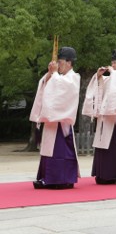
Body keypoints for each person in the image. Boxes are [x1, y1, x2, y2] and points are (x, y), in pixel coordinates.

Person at [30, 47, 80, 189]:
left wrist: (55, 74)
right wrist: (49, 75)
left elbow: (63, 89)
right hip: (52, 120)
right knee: (48, 151)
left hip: (61, 122)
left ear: (69, 63)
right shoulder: (60, 77)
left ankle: (61, 179)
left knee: (60, 150)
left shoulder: (74, 77)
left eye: (60, 61)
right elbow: (47, 85)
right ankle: (47, 177)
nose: (58, 64)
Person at [83, 49, 116, 185]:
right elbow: (100, 88)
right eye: (112, 62)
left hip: (115, 117)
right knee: (102, 144)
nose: (113, 64)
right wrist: (98, 76)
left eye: (115, 62)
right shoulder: (110, 77)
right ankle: (102, 174)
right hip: (104, 117)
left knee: (114, 146)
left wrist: (112, 72)